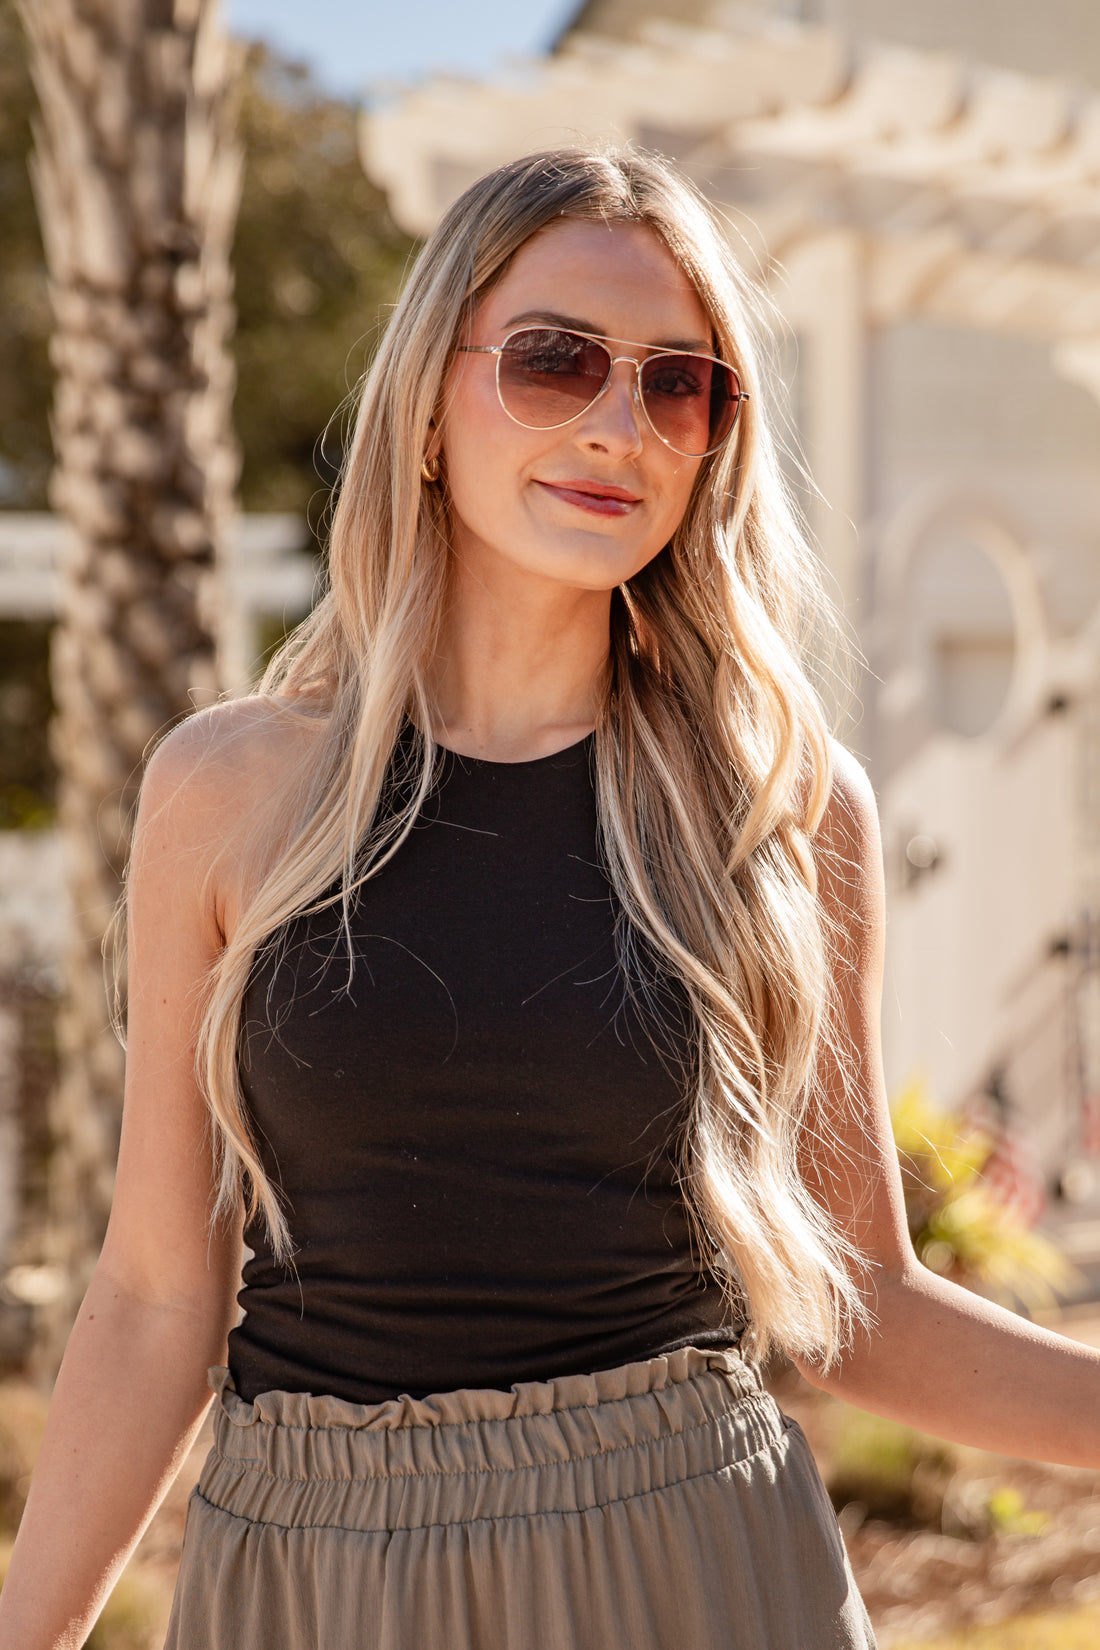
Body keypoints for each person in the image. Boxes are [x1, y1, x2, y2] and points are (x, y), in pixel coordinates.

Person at [1, 146, 1098, 1650]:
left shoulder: (779, 807)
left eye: (678, 383)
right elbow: (149, 1295)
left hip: (692, 1560)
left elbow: (861, 1302)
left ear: (713, 439)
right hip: (315, 1580)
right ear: (430, 409)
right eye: (554, 360)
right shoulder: (230, 791)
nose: (616, 424)